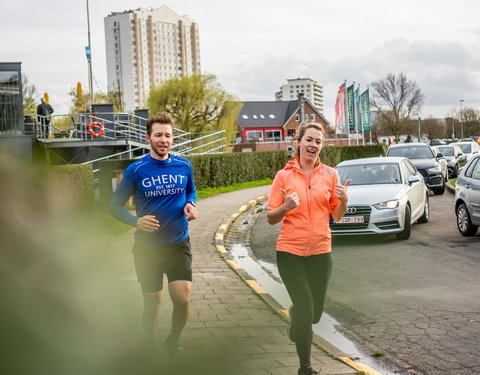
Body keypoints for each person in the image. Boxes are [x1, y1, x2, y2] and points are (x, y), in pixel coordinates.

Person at [109, 112, 198, 355]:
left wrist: (191, 204)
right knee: (153, 307)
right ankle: (148, 351)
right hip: (147, 250)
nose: (163, 140)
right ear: (148, 138)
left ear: (172, 138)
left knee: (183, 298)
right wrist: (136, 222)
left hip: (179, 243)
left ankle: (174, 340)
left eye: (168, 135)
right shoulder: (136, 170)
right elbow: (114, 206)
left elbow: (191, 191)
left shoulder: (184, 165)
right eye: (158, 135)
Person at [267, 122, 350, 375]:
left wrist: (344, 200)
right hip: (290, 253)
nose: (313, 145)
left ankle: (296, 320)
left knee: (313, 315)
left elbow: (337, 215)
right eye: (309, 140)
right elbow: (271, 217)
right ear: (298, 142)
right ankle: (306, 367)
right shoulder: (284, 176)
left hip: (321, 252)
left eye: (318, 141)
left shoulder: (330, 175)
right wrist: (286, 207)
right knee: (305, 308)